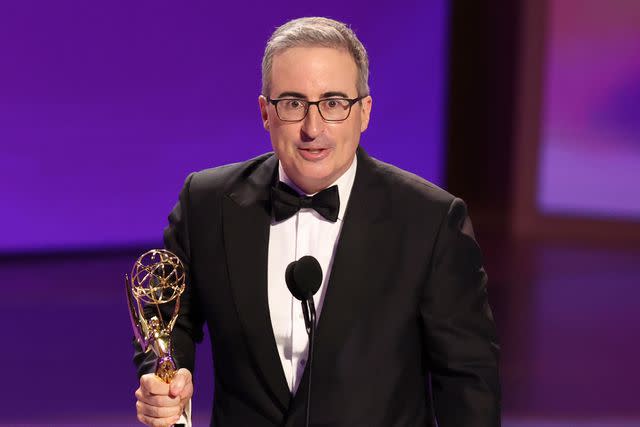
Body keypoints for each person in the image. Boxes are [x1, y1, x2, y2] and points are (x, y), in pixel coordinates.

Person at [133, 16, 500, 427]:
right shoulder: (206, 203)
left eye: (333, 104)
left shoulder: (430, 221)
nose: (313, 127)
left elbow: (468, 383)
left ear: (364, 112)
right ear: (265, 113)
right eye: (293, 104)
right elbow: (169, 323)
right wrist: (162, 381)